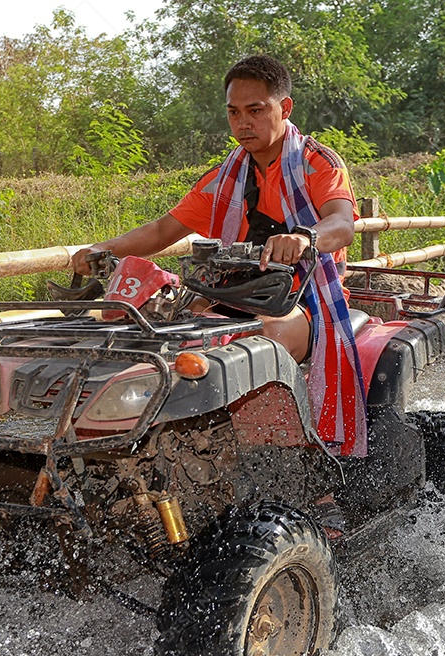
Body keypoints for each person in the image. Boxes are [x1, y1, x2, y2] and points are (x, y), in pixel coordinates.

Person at [71, 54, 368, 456]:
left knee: (262, 339)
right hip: (229, 295)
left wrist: (305, 237)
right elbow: (162, 230)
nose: (243, 123)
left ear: (286, 108)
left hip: (304, 301)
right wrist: (104, 248)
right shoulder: (223, 178)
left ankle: (307, 472)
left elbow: (342, 223)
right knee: (151, 335)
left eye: (256, 110)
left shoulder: (318, 164)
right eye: (233, 112)